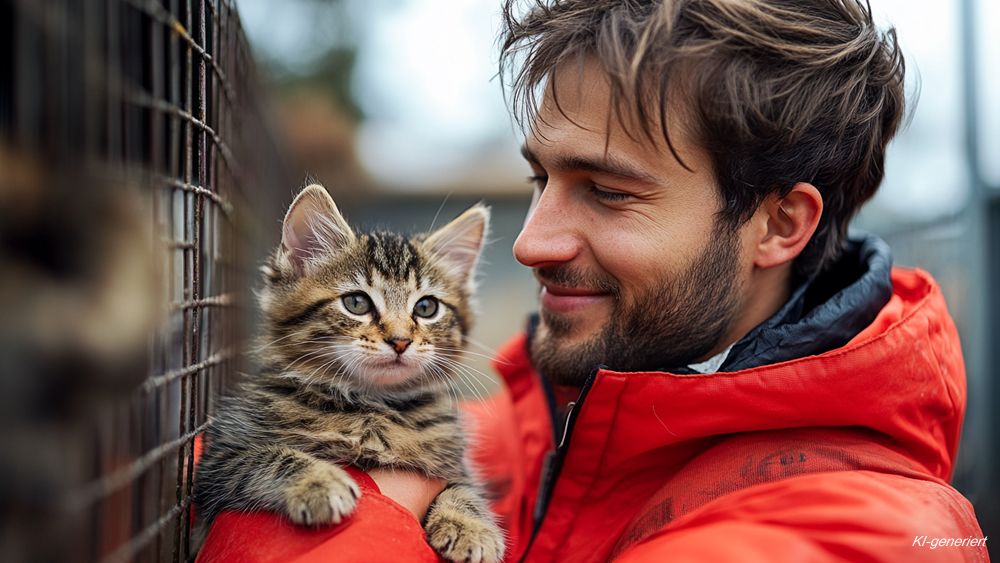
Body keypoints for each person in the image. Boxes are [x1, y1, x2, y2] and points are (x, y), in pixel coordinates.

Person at [196, 0, 989, 561]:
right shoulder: (539, 412)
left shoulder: (863, 532)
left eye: (608, 191)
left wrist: (373, 507)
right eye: (540, 178)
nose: (531, 242)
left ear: (780, 224)